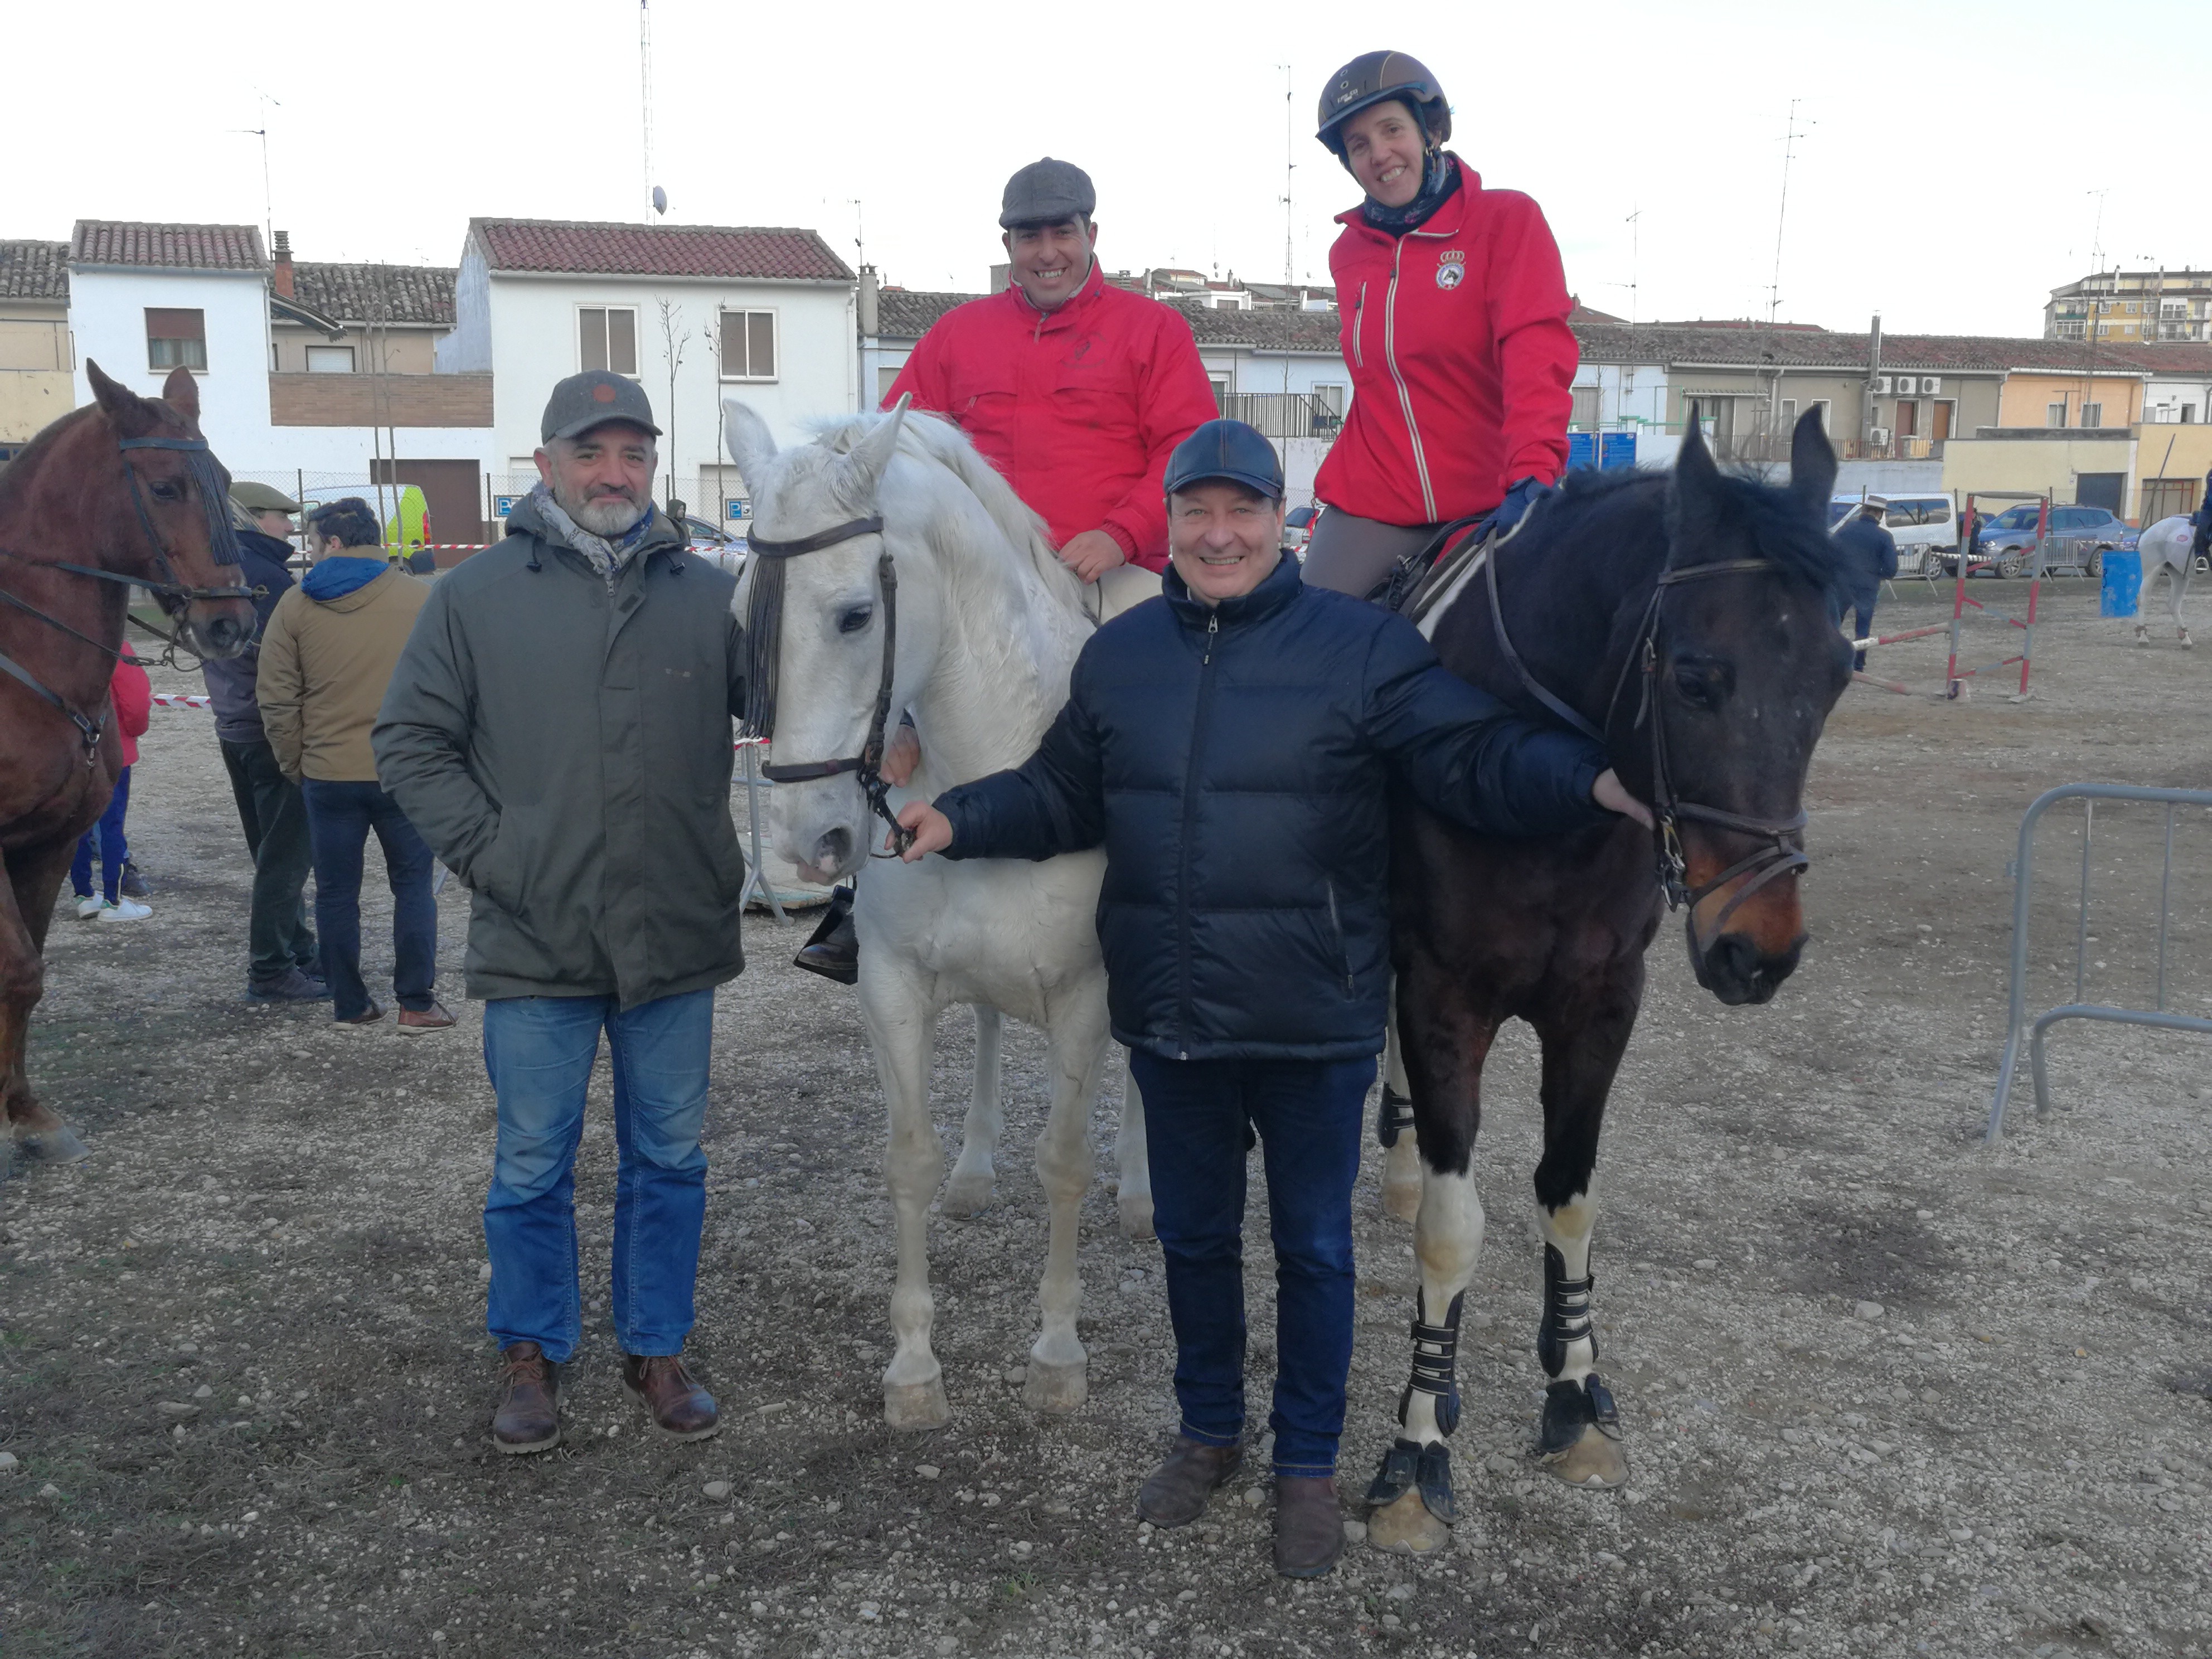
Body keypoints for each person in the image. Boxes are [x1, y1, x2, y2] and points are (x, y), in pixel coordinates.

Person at [891, 421, 1647, 1578]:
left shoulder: (1361, 651)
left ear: (1279, 521)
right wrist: (960, 818)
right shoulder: (1124, 656)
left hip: (1313, 1016)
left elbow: (1473, 755)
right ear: (1175, 522)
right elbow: (1061, 793)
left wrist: (1591, 780)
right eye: (1195, 511)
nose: (1217, 533)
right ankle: (1208, 1434)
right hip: (1176, 1009)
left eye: (1241, 511)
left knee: (1312, 1250)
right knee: (1194, 1242)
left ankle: (1303, 1462)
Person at [375, 371, 747, 1454]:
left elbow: (790, 699)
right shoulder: (475, 597)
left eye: (633, 453)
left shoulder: (708, 594)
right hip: (534, 936)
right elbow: (410, 742)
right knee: (533, 1160)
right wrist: (500, 858)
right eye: (591, 452)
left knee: (670, 1159)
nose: (614, 473)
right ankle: (531, 1348)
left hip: (675, 935)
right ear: (544, 465)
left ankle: (656, 1343)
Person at [791, 158, 1219, 983]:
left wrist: (1123, 532)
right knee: (876, 678)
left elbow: (1184, 451)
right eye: (1031, 236)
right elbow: (893, 446)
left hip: (1099, 569)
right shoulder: (955, 337)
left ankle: (1171, 891)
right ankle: (863, 899)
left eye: (1064, 232)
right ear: (1008, 245)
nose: (1048, 251)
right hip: (975, 587)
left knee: (1178, 706)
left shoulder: (1152, 332)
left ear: (1093, 236)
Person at [1299, 51, 1578, 600]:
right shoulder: (1347, 253)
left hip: (1492, 496)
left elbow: (1534, 354)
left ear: (1429, 130)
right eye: (1358, 145)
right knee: (1303, 641)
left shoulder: (1506, 221)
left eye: (1391, 130)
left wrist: (1533, 471)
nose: (1379, 154)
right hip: (1373, 502)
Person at [256, 498, 450, 1031]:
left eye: (312, 542)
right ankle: (417, 1001)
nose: (310, 552)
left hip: (328, 775)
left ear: (332, 543)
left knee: (336, 893)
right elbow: (449, 687)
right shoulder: (420, 598)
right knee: (413, 888)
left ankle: (349, 1002)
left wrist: (297, 762)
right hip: (404, 773)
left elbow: (275, 696)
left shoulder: (294, 606)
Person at [208, 483, 325, 1001]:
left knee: (270, 851)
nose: (290, 529)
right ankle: (272, 967)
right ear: (255, 519)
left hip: (234, 724)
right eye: (282, 519)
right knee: (286, 856)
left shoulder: (221, 571)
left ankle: (298, 950)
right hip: (271, 730)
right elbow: (290, 660)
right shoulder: (269, 577)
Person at [70, 656, 152, 921]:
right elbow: (137, 703)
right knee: (111, 826)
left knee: (77, 824)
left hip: (72, 749)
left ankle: (83, 894)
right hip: (113, 748)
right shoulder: (115, 645)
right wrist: (132, 733)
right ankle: (113, 900)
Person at [1831, 498, 1899, 671]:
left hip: (1842, 583)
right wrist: (1879, 575)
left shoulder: (1845, 529)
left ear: (1864, 511)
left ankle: (1827, 658)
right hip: (1867, 586)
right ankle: (1858, 665)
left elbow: (1830, 552)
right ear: (1879, 514)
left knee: (1834, 622)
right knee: (1862, 626)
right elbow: (1891, 568)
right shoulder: (1884, 537)